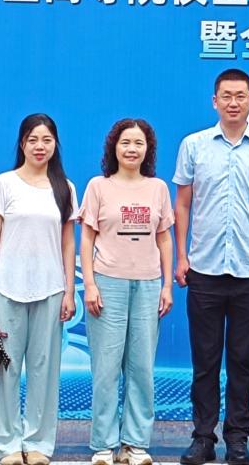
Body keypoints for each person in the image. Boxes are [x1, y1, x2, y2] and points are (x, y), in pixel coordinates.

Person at [174, 69, 249, 465]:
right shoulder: (194, 145)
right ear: (214, 101)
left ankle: (238, 438)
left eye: (240, 96)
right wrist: (181, 256)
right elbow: (182, 203)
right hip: (204, 268)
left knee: (241, 361)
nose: (233, 102)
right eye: (226, 95)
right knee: (205, 362)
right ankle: (203, 437)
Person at [0, 113, 78, 465]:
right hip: (7, 287)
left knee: (44, 369)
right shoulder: (4, 184)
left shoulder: (65, 188)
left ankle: (38, 443)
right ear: (22, 143)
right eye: (33, 139)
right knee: (6, 369)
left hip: (50, 289)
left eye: (47, 140)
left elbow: (68, 244)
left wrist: (70, 291)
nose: (40, 146)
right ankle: (8, 444)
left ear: (55, 145)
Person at [79, 119, 174, 465]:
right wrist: (90, 284)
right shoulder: (98, 187)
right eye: (125, 143)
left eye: (138, 143)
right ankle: (104, 445)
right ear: (113, 147)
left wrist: (167, 285)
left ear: (148, 150)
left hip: (148, 284)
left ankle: (135, 444)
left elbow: (164, 238)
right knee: (106, 368)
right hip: (107, 283)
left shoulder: (158, 188)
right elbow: (86, 238)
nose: (132, 149)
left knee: (141, 368)